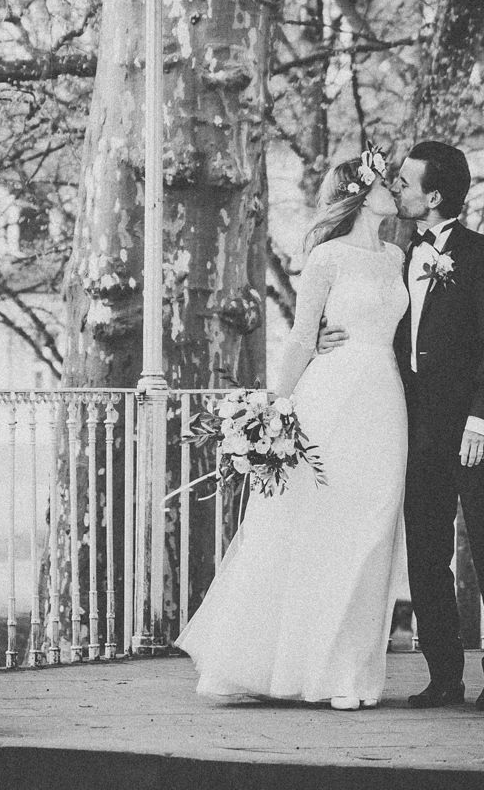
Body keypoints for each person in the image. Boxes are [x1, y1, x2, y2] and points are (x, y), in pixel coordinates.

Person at [175, 148, 408, 710]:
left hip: (384, 397)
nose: (396, 189)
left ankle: (351, 672)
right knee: (316, 526)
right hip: (330, 395)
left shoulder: (399, 256)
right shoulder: (326, 258)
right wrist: (274, 409)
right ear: (361, 191)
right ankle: (301, 667)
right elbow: (304, 336)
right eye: (386, 181)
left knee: (374, 530)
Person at [391, 140, 484, 711]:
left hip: (476, 428)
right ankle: (444, 675)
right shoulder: (397, 255)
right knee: (425, 553)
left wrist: (483, 421)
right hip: (417, 426)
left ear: (435, 195)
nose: (396, 188)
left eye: (404, 182)